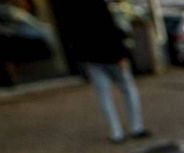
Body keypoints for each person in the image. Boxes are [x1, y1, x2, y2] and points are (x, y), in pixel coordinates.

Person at [60, 0, 149, 143]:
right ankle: (135, 128)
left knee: (105, 96)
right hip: (110, 57)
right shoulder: (99, 6)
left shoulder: (71, 8)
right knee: (127, 89)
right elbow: (110, 29)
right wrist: (120, 55)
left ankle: (116, 132)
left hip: (92, 58)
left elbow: (72, 34)